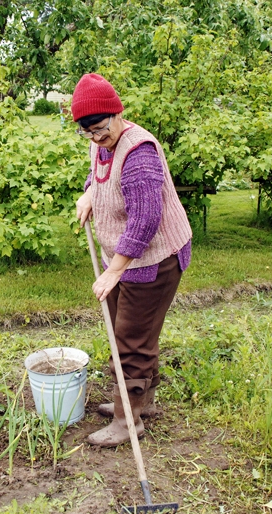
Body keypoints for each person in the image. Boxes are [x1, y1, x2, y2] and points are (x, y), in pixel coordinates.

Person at [72, 73, 193, 448]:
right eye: (86, 132)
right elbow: (101, 175)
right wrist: (89, 194)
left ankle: (128, 423)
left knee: (130, 340)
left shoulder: (139, 153)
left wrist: (115, 270)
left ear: (117, 113)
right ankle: (142, 403)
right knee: (134, 330)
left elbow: (145, 218)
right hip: (128, 257)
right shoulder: (102, 142)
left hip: (154, 261)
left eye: (100, 129)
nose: (95, 138)